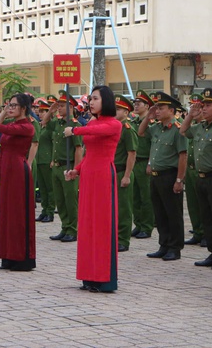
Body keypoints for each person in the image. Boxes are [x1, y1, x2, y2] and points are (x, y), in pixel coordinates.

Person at [64, 85, 122, 292]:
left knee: (102, 225)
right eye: (90, 99)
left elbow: (96, 132)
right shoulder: (92, 121)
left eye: (95, 98)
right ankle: (89, 276)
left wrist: (75, 130)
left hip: (103, 176)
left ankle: (103, 278)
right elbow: (89, 152)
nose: (91, 102)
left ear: (106, 101)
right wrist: (76, 170)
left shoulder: (114, 124)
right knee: (87, 224)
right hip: (88, 174)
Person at [138, 92, 187, 261]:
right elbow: (141, 132)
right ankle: (164, 244)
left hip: (170, 175)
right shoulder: (157, 128)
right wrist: (148, 117)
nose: (157, 111)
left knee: (173, 213)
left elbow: (183, 156)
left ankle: (175, 248)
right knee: (160, 213)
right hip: (156, 176)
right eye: (156, 108)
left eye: (161, 108)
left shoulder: (178, 129)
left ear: (172, 111)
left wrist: (179, 180)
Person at [180, 88, 212, 269]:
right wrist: (191, 115)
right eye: (203, 105)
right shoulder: (200, 127)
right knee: (206, 218)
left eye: (208, 105)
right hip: (201, 179)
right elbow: (183, 130)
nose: (204, 108)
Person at [0, 93, 36, 271]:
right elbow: (4, 148)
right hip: (7, 171)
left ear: (23, 108)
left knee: (18, 214)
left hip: (18, 171)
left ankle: (21, 257)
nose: (10, 108)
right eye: (9, 105)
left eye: (14, 106)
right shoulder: (11, 124)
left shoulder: (27, 127)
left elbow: (1, 129)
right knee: (7, 214)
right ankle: (8, 255)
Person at [41, 90, 83, 242]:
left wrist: (76, 170)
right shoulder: (58, 124)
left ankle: (73, 229)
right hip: (57, 166)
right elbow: (44, 123)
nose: (58, 108)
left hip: (68, 166)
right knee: (60, 200)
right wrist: (50, 111)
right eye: (57, 106)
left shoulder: (74, 125)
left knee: (70, 200)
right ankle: (65, 227)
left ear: (70, 107)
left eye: (61, 106)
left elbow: (79, 149)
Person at [113, 95, 138, 252]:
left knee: (124, 208)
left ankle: (123, 240)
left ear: (126, 112)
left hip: (123, 171)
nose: (115, 112)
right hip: (112, 171)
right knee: (113, 208)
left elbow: (132, 153)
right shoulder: (115, 127)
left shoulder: (127, 129)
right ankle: (115, 238)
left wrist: (127, 175)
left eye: (118, 109)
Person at [131, 90, 155, 239]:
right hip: (134, 162)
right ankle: (138, 224)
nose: (136, 105)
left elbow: (154, 145)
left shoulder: (152, 124)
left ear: (147, 106)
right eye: (135, 103)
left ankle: (146, 226)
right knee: (135, 197)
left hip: (145, 161)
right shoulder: (133, 123)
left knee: (146, 197)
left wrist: (150, 163)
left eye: (139, 103)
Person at [181, 93, 205, 246]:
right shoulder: (194, 128)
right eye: (192, 107)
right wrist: (190, 115)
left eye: (199, 107)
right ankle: (198, 232)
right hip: (190, 170)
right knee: (192, 204)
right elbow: (183, 131)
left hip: (203, 171)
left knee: (205, 204)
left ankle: (207, 234)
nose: (195, 110)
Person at [35, 95, 56, 222]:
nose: (40, 113)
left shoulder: (51, 127)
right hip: (39, 160)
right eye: (40, 111)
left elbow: (54, 144)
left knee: (50, 188)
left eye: (43, 111)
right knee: (42, 188)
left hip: (48, 160)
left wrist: (53, 159)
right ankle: (44, 210)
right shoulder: (40, 126)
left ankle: (50, 211)